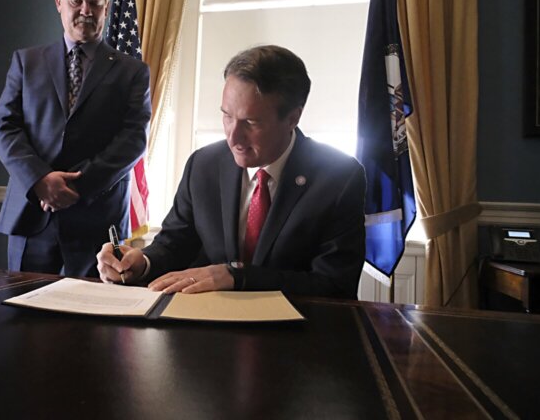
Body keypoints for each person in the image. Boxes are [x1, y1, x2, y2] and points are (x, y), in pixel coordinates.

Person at [97, 45, 366, 298]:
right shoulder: (203, 165)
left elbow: (334, 285)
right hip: (206, 326)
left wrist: (240, 277)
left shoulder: (339, 178)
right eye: (227, 116)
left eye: (251, 122)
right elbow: (174, 244)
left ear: (293, 118)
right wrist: (142, 263)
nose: (233, 137)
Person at [0, 0, 151, 277]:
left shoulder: (132, 71)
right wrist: (40, 180)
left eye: (95, 2)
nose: (85, 11)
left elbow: (134, 139)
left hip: (98, 220)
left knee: (91, 308)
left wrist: (75, 187)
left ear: (106, 7)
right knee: (21, 305)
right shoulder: (27, 62)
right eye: (76, 1)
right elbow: (5, 127)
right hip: (32, 214)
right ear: (59, 1)